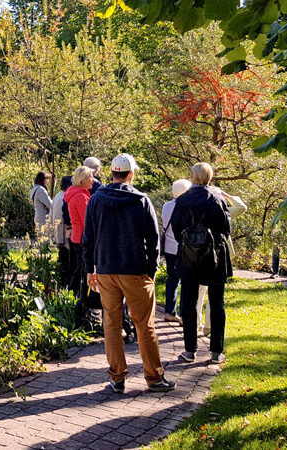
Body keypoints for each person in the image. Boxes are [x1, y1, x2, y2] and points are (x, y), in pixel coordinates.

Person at [82, 153, 174, 393]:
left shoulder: (96, 200)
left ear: (112, 174)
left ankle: (117, 377)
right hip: (135, 271)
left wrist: (89, 270)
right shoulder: (141, 200)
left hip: (105, 270)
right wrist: (152, 271)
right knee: (145, 325)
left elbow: (88, 239)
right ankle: (154, 377)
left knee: (111, 324)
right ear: (131, 174)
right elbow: (154, 240)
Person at [170, 162, 232, 364]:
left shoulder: (183, 199)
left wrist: (190, 242)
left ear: (192, 177)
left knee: (188, 302)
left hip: (189, 255)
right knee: (217, 301)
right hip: (215, 255)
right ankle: (216, 351)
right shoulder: (217, 199)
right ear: (210, 177)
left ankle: (190, 349)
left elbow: (177, 227)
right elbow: (226, 227)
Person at [195, 188, 247, 337]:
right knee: (214, 293)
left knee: (199, 291)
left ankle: (196, 325)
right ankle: (208, 327)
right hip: (217, 253)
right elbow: (242, 207)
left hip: (199, 253)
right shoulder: (223, 212)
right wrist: (227, 195)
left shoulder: (198, 209)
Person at [66, 166, 100, 323]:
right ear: (82, 179)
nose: (93, 179)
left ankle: (77, 302)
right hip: (82, 239)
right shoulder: (80, 197)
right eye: (91, 177)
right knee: (84, 273)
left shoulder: (79, 194)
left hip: (77, 237)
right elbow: (89, 221)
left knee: (80, 271)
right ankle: (81, 305)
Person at [160, 179, 193, 324]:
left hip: (168, 247)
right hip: (182, 247)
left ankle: (169, 311)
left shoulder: (166, 206)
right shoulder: (186, 207)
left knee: (172, 279)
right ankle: (183, 314)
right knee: (185, 280)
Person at [52, 175, 73, 288]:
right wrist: (59, 239)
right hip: (64, 238)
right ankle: (64, 286)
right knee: (65, 264)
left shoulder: (59, 196)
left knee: (64, 263)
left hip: (63, 236)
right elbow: (58, 220)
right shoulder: (62, 198)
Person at [29, 171, 53, 237]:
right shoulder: (41, 190)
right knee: (45, 242)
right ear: (43, 179)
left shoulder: (34, 188)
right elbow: (51, 205)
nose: (48, 181)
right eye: (47, 179)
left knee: (40, 240)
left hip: (37, 216)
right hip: (43, 219)